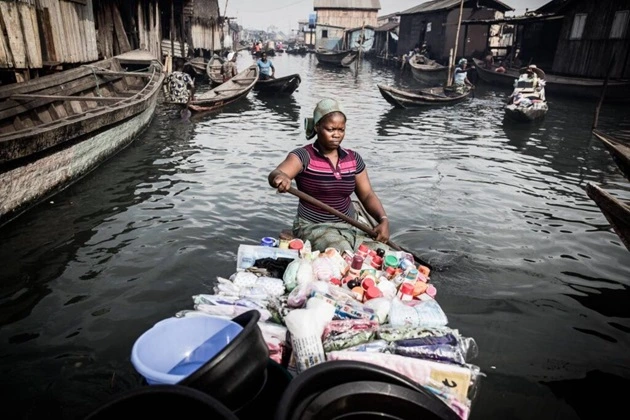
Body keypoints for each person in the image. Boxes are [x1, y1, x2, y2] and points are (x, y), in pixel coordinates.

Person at [267, 98, 390, 252]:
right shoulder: (304, 155)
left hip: (351, 224)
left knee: (380, 253)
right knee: (342, 254)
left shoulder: (353, 158)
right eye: (331, 129)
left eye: (341, 130)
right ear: (317, 127)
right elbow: (277, 173)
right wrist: (280, 178)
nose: (336, 135)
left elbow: (367, 195)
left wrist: (383, 220)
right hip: (314, 226)